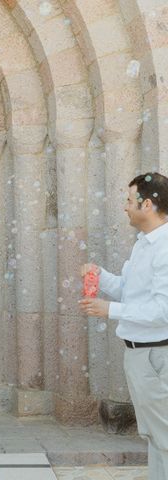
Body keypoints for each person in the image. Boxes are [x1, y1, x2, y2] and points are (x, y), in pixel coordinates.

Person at [79, 172, 168, 480]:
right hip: (140, 355)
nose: (125, 207)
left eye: (130, 200)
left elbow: (164, 311)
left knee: (165, 438)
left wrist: (110, 310)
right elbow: (129, 290)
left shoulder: (165, 247)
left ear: (148, 204)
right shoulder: (144, 243)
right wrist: (100, 276)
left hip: (156, 357)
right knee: (156, 437)